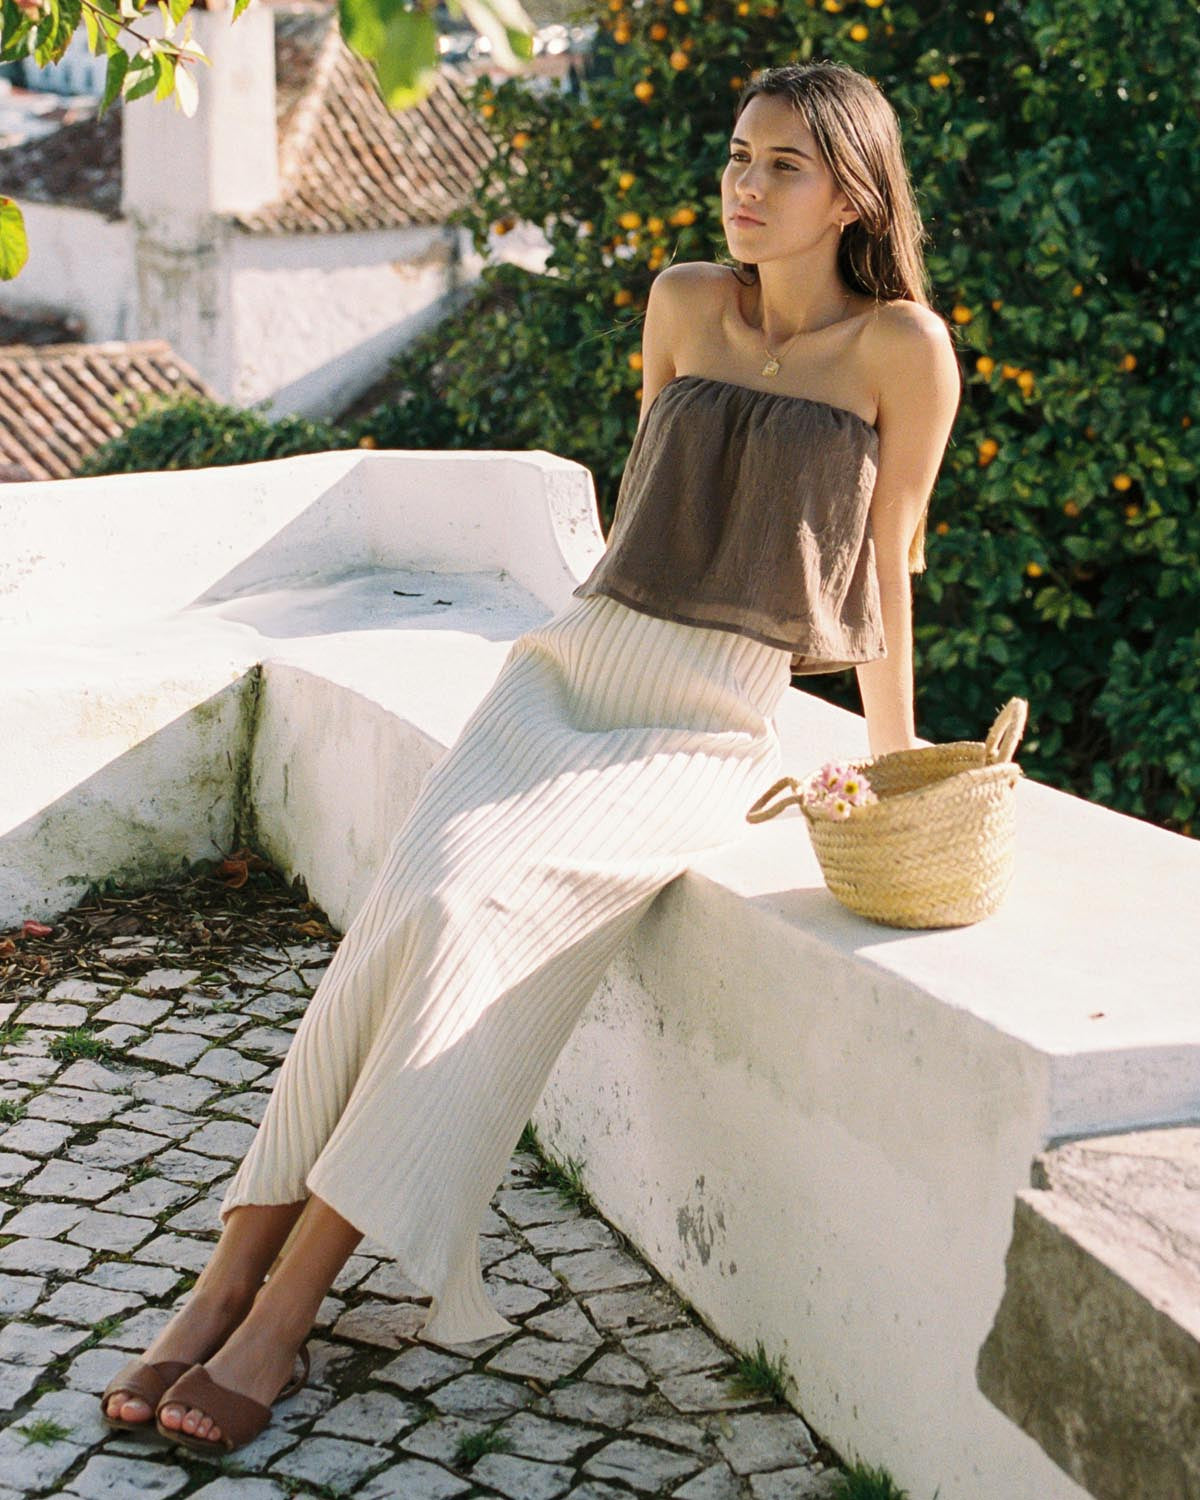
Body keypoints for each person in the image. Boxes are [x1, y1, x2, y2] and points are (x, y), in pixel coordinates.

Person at [100, 58, 961, 1453]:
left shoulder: (900, 350)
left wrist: (890, 756)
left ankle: (281, 1312)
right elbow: (649, 517)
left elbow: (890, 569)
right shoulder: (684, 303)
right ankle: (220, 1285)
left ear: (855, 189)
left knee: (465, 921)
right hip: (566, 675)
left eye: (783, 166)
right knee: (406, 913)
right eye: (737, 156)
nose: (744, 185)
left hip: (702, 721)